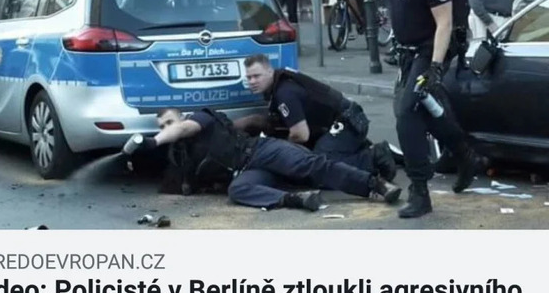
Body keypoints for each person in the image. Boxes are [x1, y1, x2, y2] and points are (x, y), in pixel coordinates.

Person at [123, 108, 402, 211]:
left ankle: (375, 185)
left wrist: (154, 141)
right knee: (238, 190)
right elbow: (178, 186)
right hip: (248, 171)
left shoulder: (199, 118)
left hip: (260, 150)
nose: (166, 128)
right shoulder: (181, 155)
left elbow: (182, 129)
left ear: (181, 117)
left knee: (311, 166)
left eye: (169, 122)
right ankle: (296, 200)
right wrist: (137, 160)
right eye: (161, 127)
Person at [384, 0, 480, 218]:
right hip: (406, 54)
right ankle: (464, 155)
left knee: (406, 114)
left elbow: (444, 23)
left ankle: (419, 191)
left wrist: (436, 67)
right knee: (426, 111)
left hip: (429, 52)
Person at [235, 54, 397, 182]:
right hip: (342, 122)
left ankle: (375, 157)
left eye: (257, 76)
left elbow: (301, 135)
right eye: (249, 78)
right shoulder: (280, 83)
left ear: (270, 72)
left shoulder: (284, 93)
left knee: (320, 167)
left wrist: (282, 151)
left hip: (349, 122)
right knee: (316, 158)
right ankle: (376, 153)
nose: (252, 81)